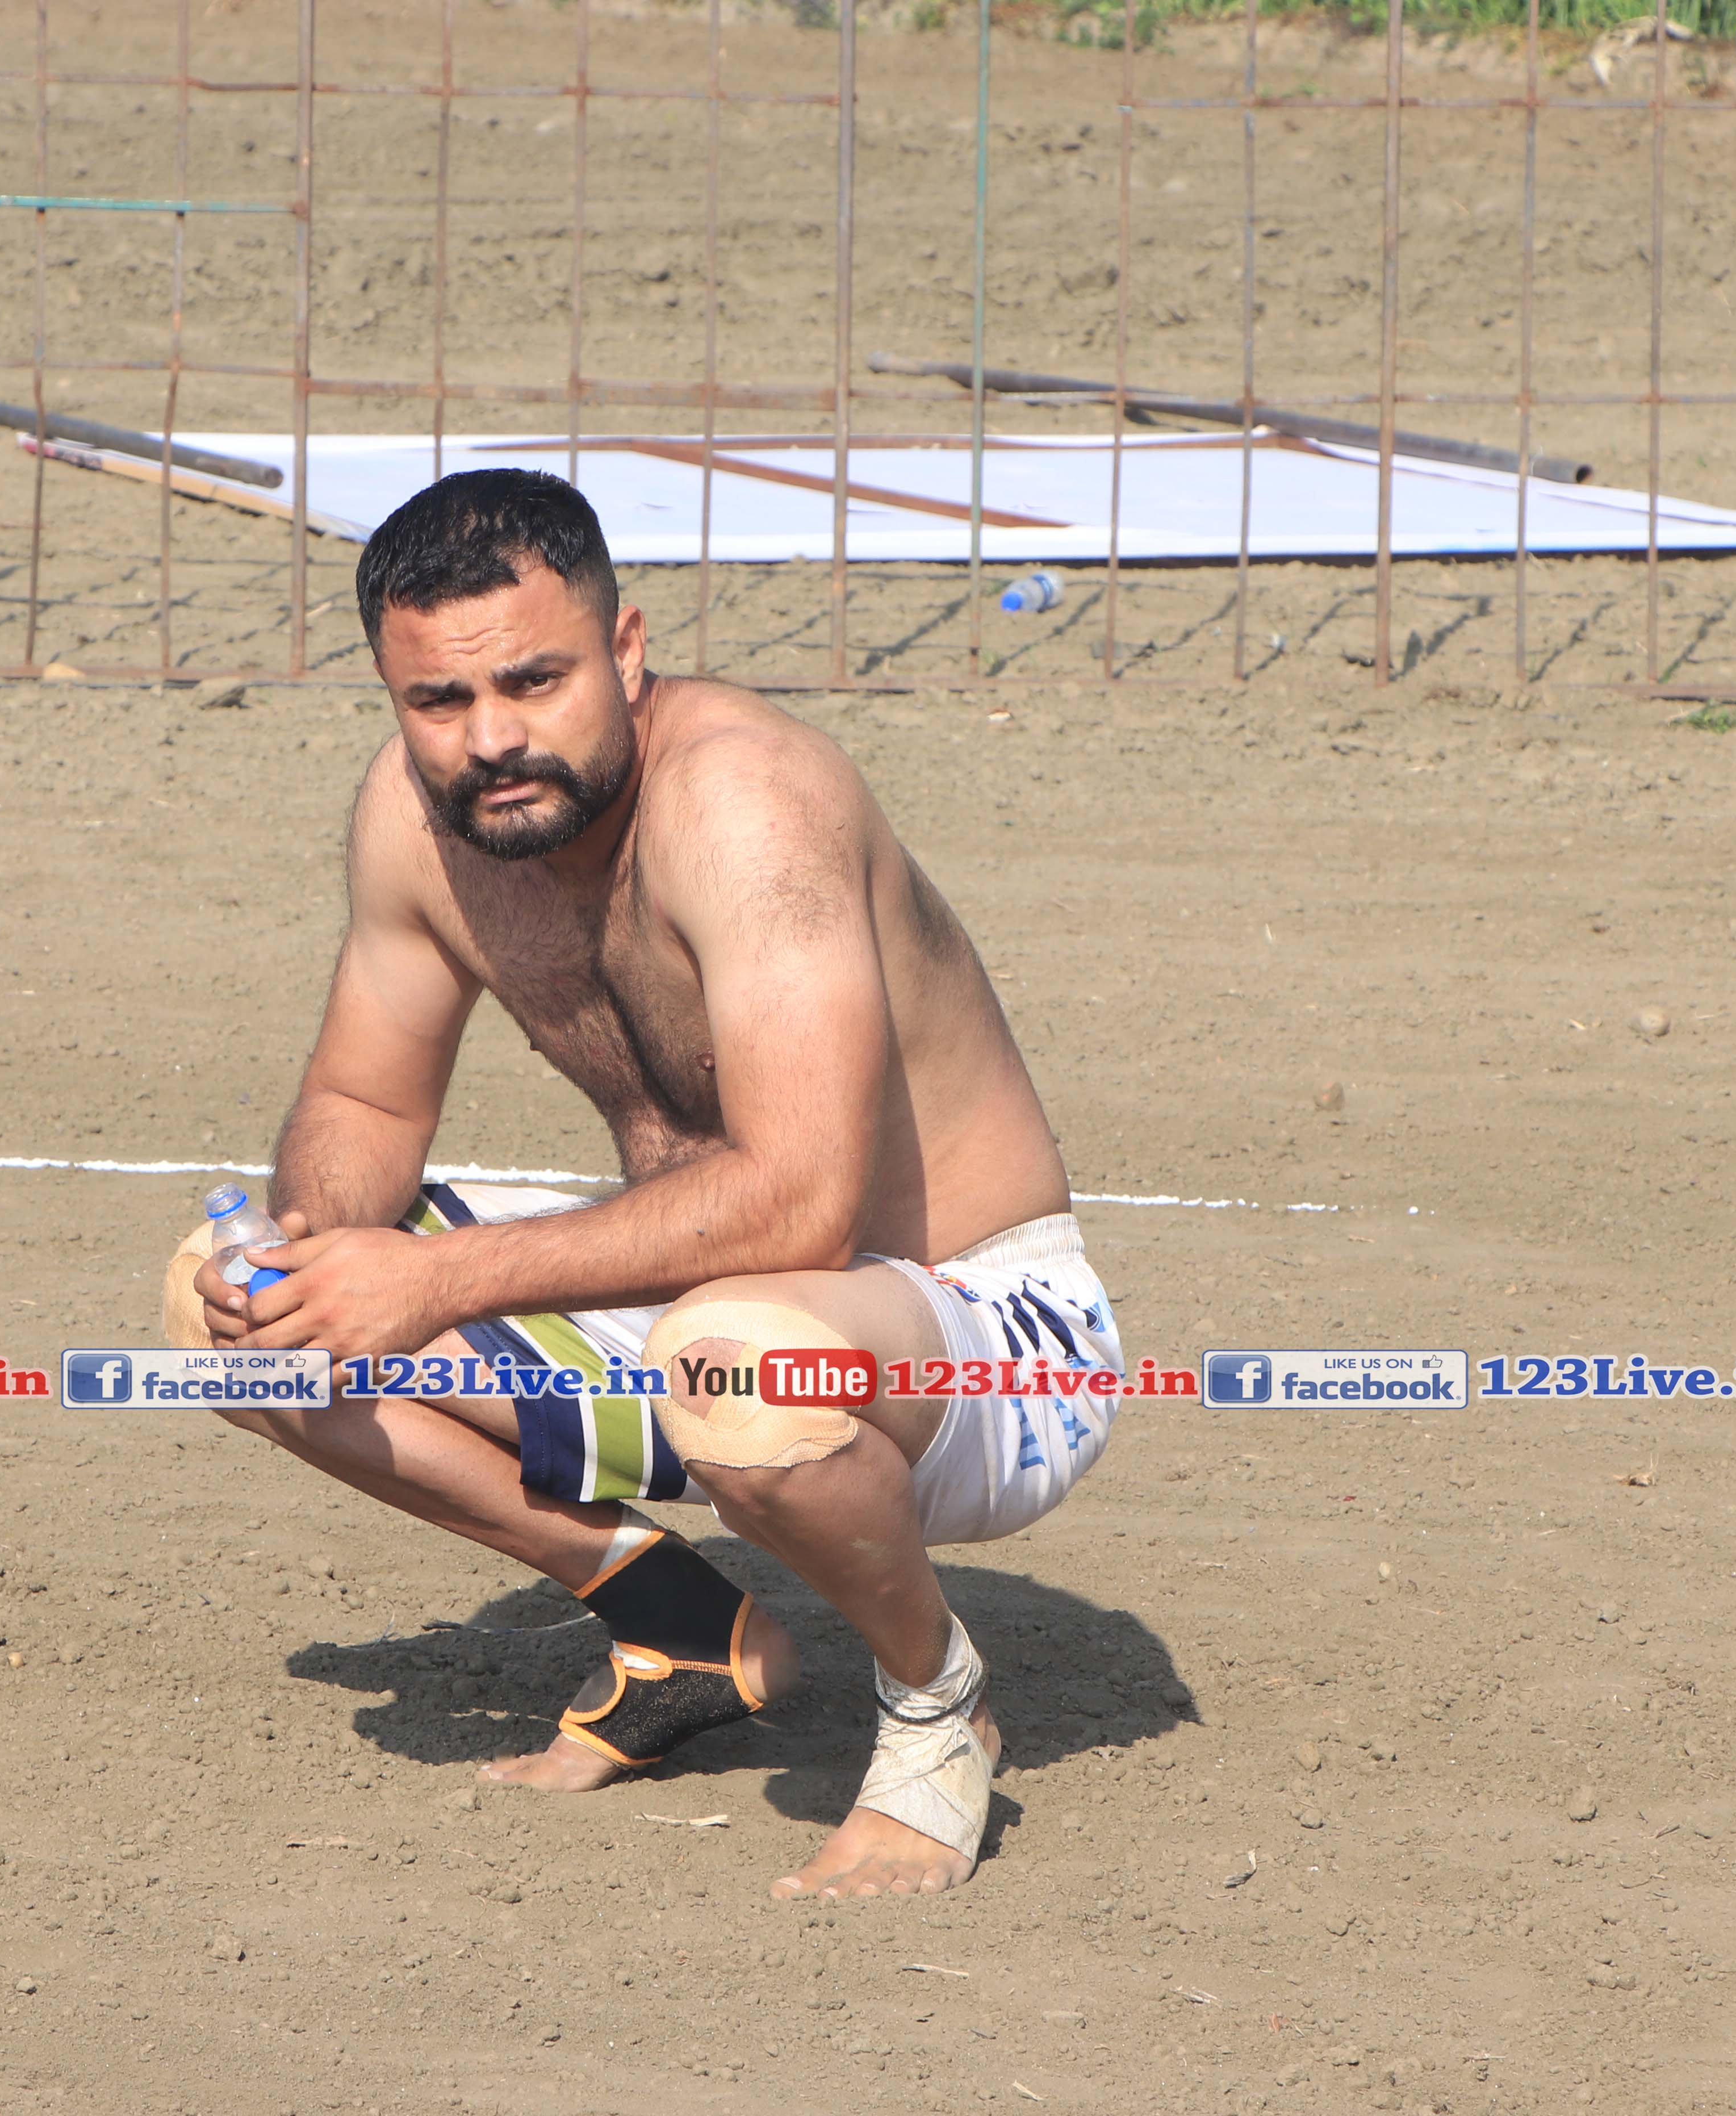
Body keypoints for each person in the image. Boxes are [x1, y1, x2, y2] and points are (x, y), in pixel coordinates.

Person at [167, 467, 1120, 1898]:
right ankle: (679, 1628)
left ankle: (938, 1703)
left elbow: (800, 1202)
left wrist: (430, 1279)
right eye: (438, 701)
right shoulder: (418, 820)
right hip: (704, 1317)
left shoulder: (744, 803)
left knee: (737, 1357)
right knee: (221, 1300)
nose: (493, 738)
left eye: (534, 681)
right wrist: (308, 1264)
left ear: (625, 650)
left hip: (981, 1344)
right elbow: (363, 1104)